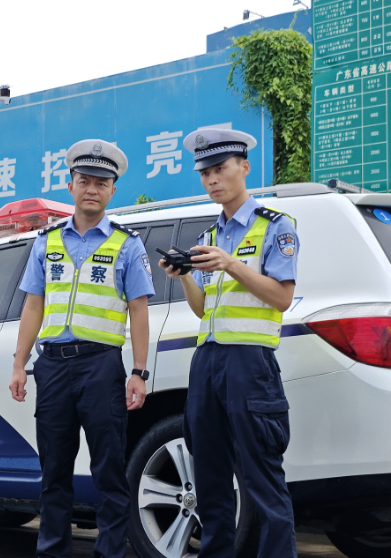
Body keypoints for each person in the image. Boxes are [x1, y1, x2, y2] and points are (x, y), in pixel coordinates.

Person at [9, 139, 155, 558]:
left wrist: (139, 372)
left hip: (101, 367)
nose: (92, 189)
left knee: (109, 470)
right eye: (85, 180)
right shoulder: (47, 241)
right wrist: (19, 364)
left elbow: (138, 311)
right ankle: (52, 551)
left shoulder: (128, 244)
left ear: (112, 190)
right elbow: (33, 305)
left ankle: (110, 553)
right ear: (70, 185)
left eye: (101, 183)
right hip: (52, 368)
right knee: (54, 471)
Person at [159, 128, 298, 558]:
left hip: (250, 363)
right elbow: (203, 310)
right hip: (207, 361)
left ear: (244, 167)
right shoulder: (208, 238)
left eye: (220, 169)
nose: (212, 179)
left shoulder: (276, 226)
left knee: (261, 476)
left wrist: (232, 264)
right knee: (209, 476)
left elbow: (282, 298)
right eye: (205, 173)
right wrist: (184, 276)